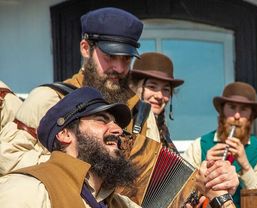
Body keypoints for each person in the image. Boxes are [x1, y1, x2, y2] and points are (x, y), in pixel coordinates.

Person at [0, 7, 161, 175]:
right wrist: (73, 171)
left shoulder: (141, 112)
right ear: (85, 48)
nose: (119, 68)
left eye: (126, 59)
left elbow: (154, 175)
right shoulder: (50, 98)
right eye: (110, 56)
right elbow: (8, 157)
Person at [0, 87, 143, 208]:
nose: (118, 130)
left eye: (116, 123)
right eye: (101, 120)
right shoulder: (26, 191)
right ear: (65, 134)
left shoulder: (124, 205)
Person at [183, 81, 257, 208]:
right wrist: (205, 167)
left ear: (251, 116)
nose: (237, 116)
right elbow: (180, 193)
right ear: (222, 111)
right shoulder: (199, 145)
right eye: (232, 107)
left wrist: (246, 167)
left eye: (243, 109)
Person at [129, 52, 184, 151]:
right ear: (134, 87)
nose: (159, 96)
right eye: (152, 87)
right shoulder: (123, 124)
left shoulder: (163, 132)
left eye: (166, 90)